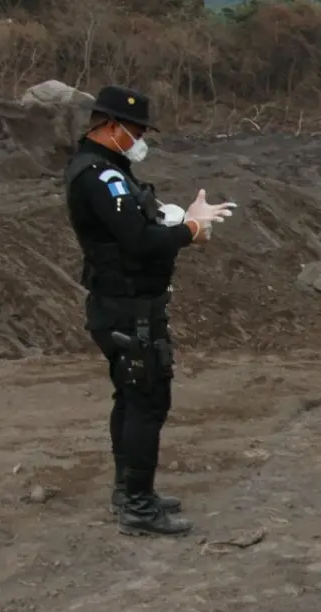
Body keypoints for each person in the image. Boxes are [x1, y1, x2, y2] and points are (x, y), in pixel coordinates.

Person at [65, 85, 235, 536]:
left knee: (134, 398)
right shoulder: (100, 177)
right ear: (111, 126)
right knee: (145, 400)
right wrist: (191, 231)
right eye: (136, 130)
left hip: (128, 303)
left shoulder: (109, 172)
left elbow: (144, 224)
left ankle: (131, 492)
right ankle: (138, 505)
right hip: (126, 307)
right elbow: (138, 240)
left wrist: (184, 219)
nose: (141, 139)